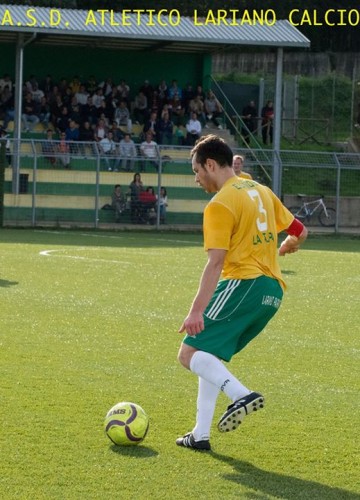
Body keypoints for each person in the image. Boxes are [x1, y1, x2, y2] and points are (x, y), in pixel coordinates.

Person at [176, 134, 308, 451]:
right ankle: (200, 434)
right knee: (210, 354)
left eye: (197, 171)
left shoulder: (220, 203)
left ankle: (241, 395)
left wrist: (196, 310)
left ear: (210, 164)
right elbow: (300, 230)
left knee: (188, 353)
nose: (196, 179)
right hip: (272, 291)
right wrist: (289, 244)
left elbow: (216, 262)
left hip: (242, 284)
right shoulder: (259, 190)